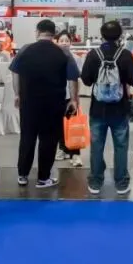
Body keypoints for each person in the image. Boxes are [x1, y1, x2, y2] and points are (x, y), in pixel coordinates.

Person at [10, 19, 80, 188]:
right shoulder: (63, 52)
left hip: (29, 102)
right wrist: (73, 99)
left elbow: (15, 72)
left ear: (37, 32)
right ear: (54, 34)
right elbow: (73, 78)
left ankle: (22, 175)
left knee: (27, 137)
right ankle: (43, 178)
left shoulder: (25, 50)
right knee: (48, 140)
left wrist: (17, 94)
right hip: (54, 103)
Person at [81, 21, 133, 196]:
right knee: (121, 146)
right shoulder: (125, 54)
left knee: (96, 146)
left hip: (98, 109)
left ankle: (95, 182)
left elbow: (86, 80)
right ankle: (121, 183)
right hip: (120, 108)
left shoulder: (93, 54)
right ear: (120, 35)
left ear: (101, 35)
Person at [55, 31, 84, 168]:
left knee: (73, 126)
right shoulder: (53, 57)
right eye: (61, 40)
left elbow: (77, 79)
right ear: (57, 42)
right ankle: (62, 149)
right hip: (57, 96)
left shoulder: (76, 58)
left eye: (67, 40)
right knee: (59, 125)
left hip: (70, 97)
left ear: (71, 43)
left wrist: (76, 97)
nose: (64, 43)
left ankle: (75, 154)